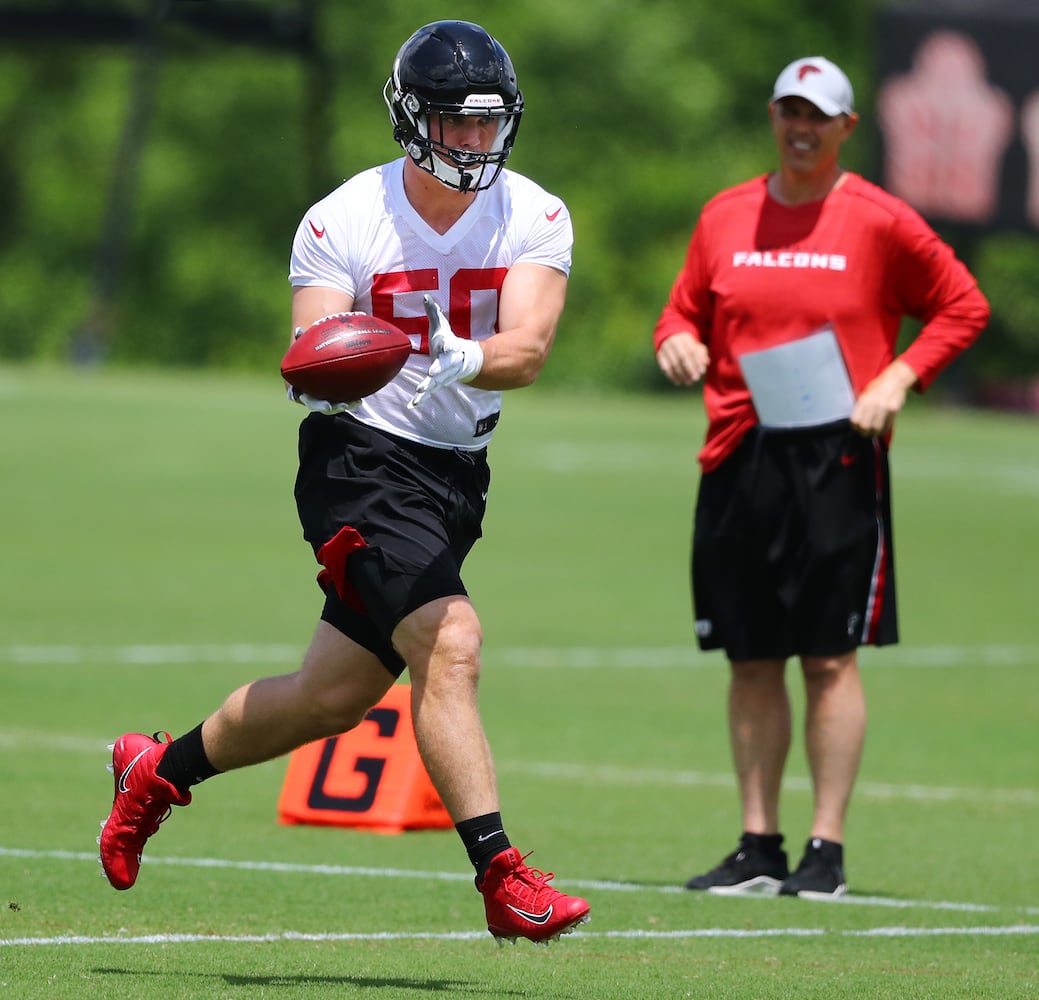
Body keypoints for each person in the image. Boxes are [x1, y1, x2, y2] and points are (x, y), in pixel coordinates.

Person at [97, 20, 590, 945]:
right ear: (411, 121)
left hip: (454, 472)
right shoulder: (343, 218)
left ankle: (156, 772)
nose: (475, 143)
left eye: (489, 125)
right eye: (456, 124)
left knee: (332, 698)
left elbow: (525, 350)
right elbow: (309, 348)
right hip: (359, 461)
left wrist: (463, 356)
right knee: (451, 645)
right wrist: (342, 356)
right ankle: (502, 874)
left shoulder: (536, 212)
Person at [653, 56, 989, 898]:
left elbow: (961, 304)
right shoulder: (725, 214)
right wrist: (675, 341)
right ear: (773, 116)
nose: (800, 128)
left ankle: (825, 853)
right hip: (738, 452)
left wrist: (898, 378)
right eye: (788, 112)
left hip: (836, 456)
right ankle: (757, 844)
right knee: (749, 655)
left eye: (819, 115)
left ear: (846, 127)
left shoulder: (878, 219)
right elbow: (682, 309)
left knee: (829, 657)